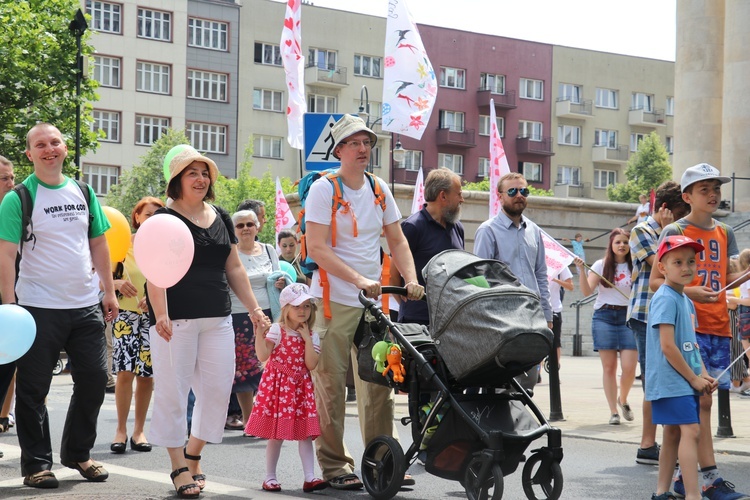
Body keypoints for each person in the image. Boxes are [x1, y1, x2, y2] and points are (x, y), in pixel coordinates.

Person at [305, 114, 424, 490]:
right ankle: (336, 466)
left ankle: (382, 461)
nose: (362, 149)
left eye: (367, 143)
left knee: (379, 387)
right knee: (331, 388)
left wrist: (411, 278)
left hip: (373, 305)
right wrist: (358, 280)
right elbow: (318, 248)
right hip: (332, 301)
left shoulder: (378, 187)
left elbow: (397, 239)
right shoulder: (325, 189)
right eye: (354, 143)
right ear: (339, 150)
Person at [146, 146, 270, 498]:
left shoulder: (221, 216)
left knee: (217, 393)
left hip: (218, 317)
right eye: (192, 173)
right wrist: (162, 313)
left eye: (204, 173)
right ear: (176, 181)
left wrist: (255, 309)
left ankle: (194, 452)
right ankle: (178, 466)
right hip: (177, 320)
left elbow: (233, 267)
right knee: (172, 393)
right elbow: (155, 273)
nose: (201, 179)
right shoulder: (163, 220)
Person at [0, 123, 118, 488]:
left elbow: (98, 242)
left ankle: (78, 454)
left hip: (85, 304)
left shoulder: (83, 191)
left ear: (65, 147)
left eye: (54, 142)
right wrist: (10, 305)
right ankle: (37, 464)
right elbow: (6, 253)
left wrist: (109, 291)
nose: (49, 149)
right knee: (34, 389)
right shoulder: (17, 198)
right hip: (38, 306)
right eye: (40, 144)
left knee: (95, 380)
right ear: (29, 154)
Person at [652, 163, 750, 499]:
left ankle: (684, 479)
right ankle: (706, 480)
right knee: (694, 409)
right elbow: (654, 282)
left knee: (703, 403)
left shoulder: (725, 232)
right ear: (687, 196)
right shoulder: (675, 230)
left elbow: (733, 272)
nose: (712, 195)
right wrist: (690, 291)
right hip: (687, 331)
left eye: (716, 189)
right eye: (704, 189)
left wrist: (743, 271)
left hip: (719, 325)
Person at [647, 235, 717, 500]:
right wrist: (692, 378)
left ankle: (662, 492)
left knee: (674, 433)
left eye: (691, 261)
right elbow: (667, 346)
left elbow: (689, 345)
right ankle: (692, 494)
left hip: (681, 378)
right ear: (662, 268)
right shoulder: (665, 298)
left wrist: (703, 374)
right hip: (671, 379)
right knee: (692, 430)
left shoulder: (685, 299)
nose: (686, 267)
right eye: (678, 262)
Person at [628, 180, 690, 465]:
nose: (681, 217)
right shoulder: (642, 231)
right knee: (654, 378)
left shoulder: (675, 231)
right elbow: (663, 265)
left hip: (671, 312)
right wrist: (668, 231)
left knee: (668, 377)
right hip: (645, 313)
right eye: (679, 211)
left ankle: (663, 443)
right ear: (665, 208)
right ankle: (647, 444)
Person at [245, 283, 327, 493]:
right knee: (276, 434)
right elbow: (263, 356)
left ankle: (310, 477)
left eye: (307, 306)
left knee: (305, 434)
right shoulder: (277, 330)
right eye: (297, 306)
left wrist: (307, 339)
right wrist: (259, 334)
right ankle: (270, 477)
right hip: (278, 389)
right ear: (285, 309)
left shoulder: (313, 335)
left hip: (300, 389)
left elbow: (311, 365)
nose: (303, 311)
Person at [110, 197, 165, 454]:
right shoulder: (122, 245)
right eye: (149, 213)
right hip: (125, 317)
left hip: (153, 318)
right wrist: (118, 284)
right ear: (137, 216)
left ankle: (139, 430)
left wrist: (155, 298)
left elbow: (172, 282)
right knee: (125, 373)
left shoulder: (166, 248)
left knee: (147, 376)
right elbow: (99, 279)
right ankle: (120, 429)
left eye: (159, 214)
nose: (153, 217)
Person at [474, 172, 554, 334]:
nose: (519, 195)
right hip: (502, 317)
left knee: (534, 359)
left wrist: (547, 314)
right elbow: (480, 278)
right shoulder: (488, 231)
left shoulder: (534, 230)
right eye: (512, 191)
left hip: (533, 314)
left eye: (523, 191)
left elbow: (541, 275)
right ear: (500, 197)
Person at [575, 228, 636, 425]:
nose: (622, 245)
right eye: (618, 242)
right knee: (609, 367)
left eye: (625, 242)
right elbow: (586, 291)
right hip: (605, 316)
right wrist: (582, 271)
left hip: (628, 318)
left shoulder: (636, 265)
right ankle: (613, 412)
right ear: (611, 245)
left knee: (629, 368)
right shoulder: (601, 265)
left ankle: (623, 399)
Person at [389, 167, 465, 325]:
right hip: (417, 322)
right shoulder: (413, 227)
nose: (462, 199)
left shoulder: (457, 228)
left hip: (450, 322)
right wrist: (409, 306)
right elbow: (393, 277)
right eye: (458, 194)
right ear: (443, 196)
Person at [229, 209, 281, 431]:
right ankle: (250, 420)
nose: (245, 229)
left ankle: (267, 417)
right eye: (240, 226)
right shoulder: (231, 253)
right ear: (234, 230)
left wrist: (281, 282)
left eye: (249, 224)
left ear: (258, 226)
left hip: (269, 316)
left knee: (269, 367)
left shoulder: (269, 250)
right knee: (245, 370)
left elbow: (280, 276)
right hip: (240, 316)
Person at [0, 155, 16, 459]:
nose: (11, 183)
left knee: (5, 368)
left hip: (11, 303)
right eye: (5, 179)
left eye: (12, 177)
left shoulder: (17, 210)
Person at [548, 267, 574, 365]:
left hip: (554, 309)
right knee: (537, 342)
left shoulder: (560, 265)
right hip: (537, 308)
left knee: (555, 342)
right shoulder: (535, 260)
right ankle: (537, 373)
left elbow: (570, 286)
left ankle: (555, 369)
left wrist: (554, 279)